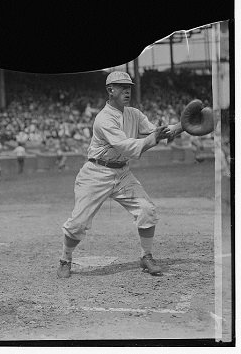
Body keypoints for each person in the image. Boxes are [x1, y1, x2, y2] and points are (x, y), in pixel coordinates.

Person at [57, 71, 170, 279]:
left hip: (122, 172)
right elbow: (127, 146)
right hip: (96, 172)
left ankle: (146, 256)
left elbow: (158, 131)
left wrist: (183, 126)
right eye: (121, 87)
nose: (127, 91)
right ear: (110, 90)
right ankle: (65, 259)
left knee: (147, 209)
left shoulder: (134, 114)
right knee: (78, 223)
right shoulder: (103, 118)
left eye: (128, 87)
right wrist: (155, 138)